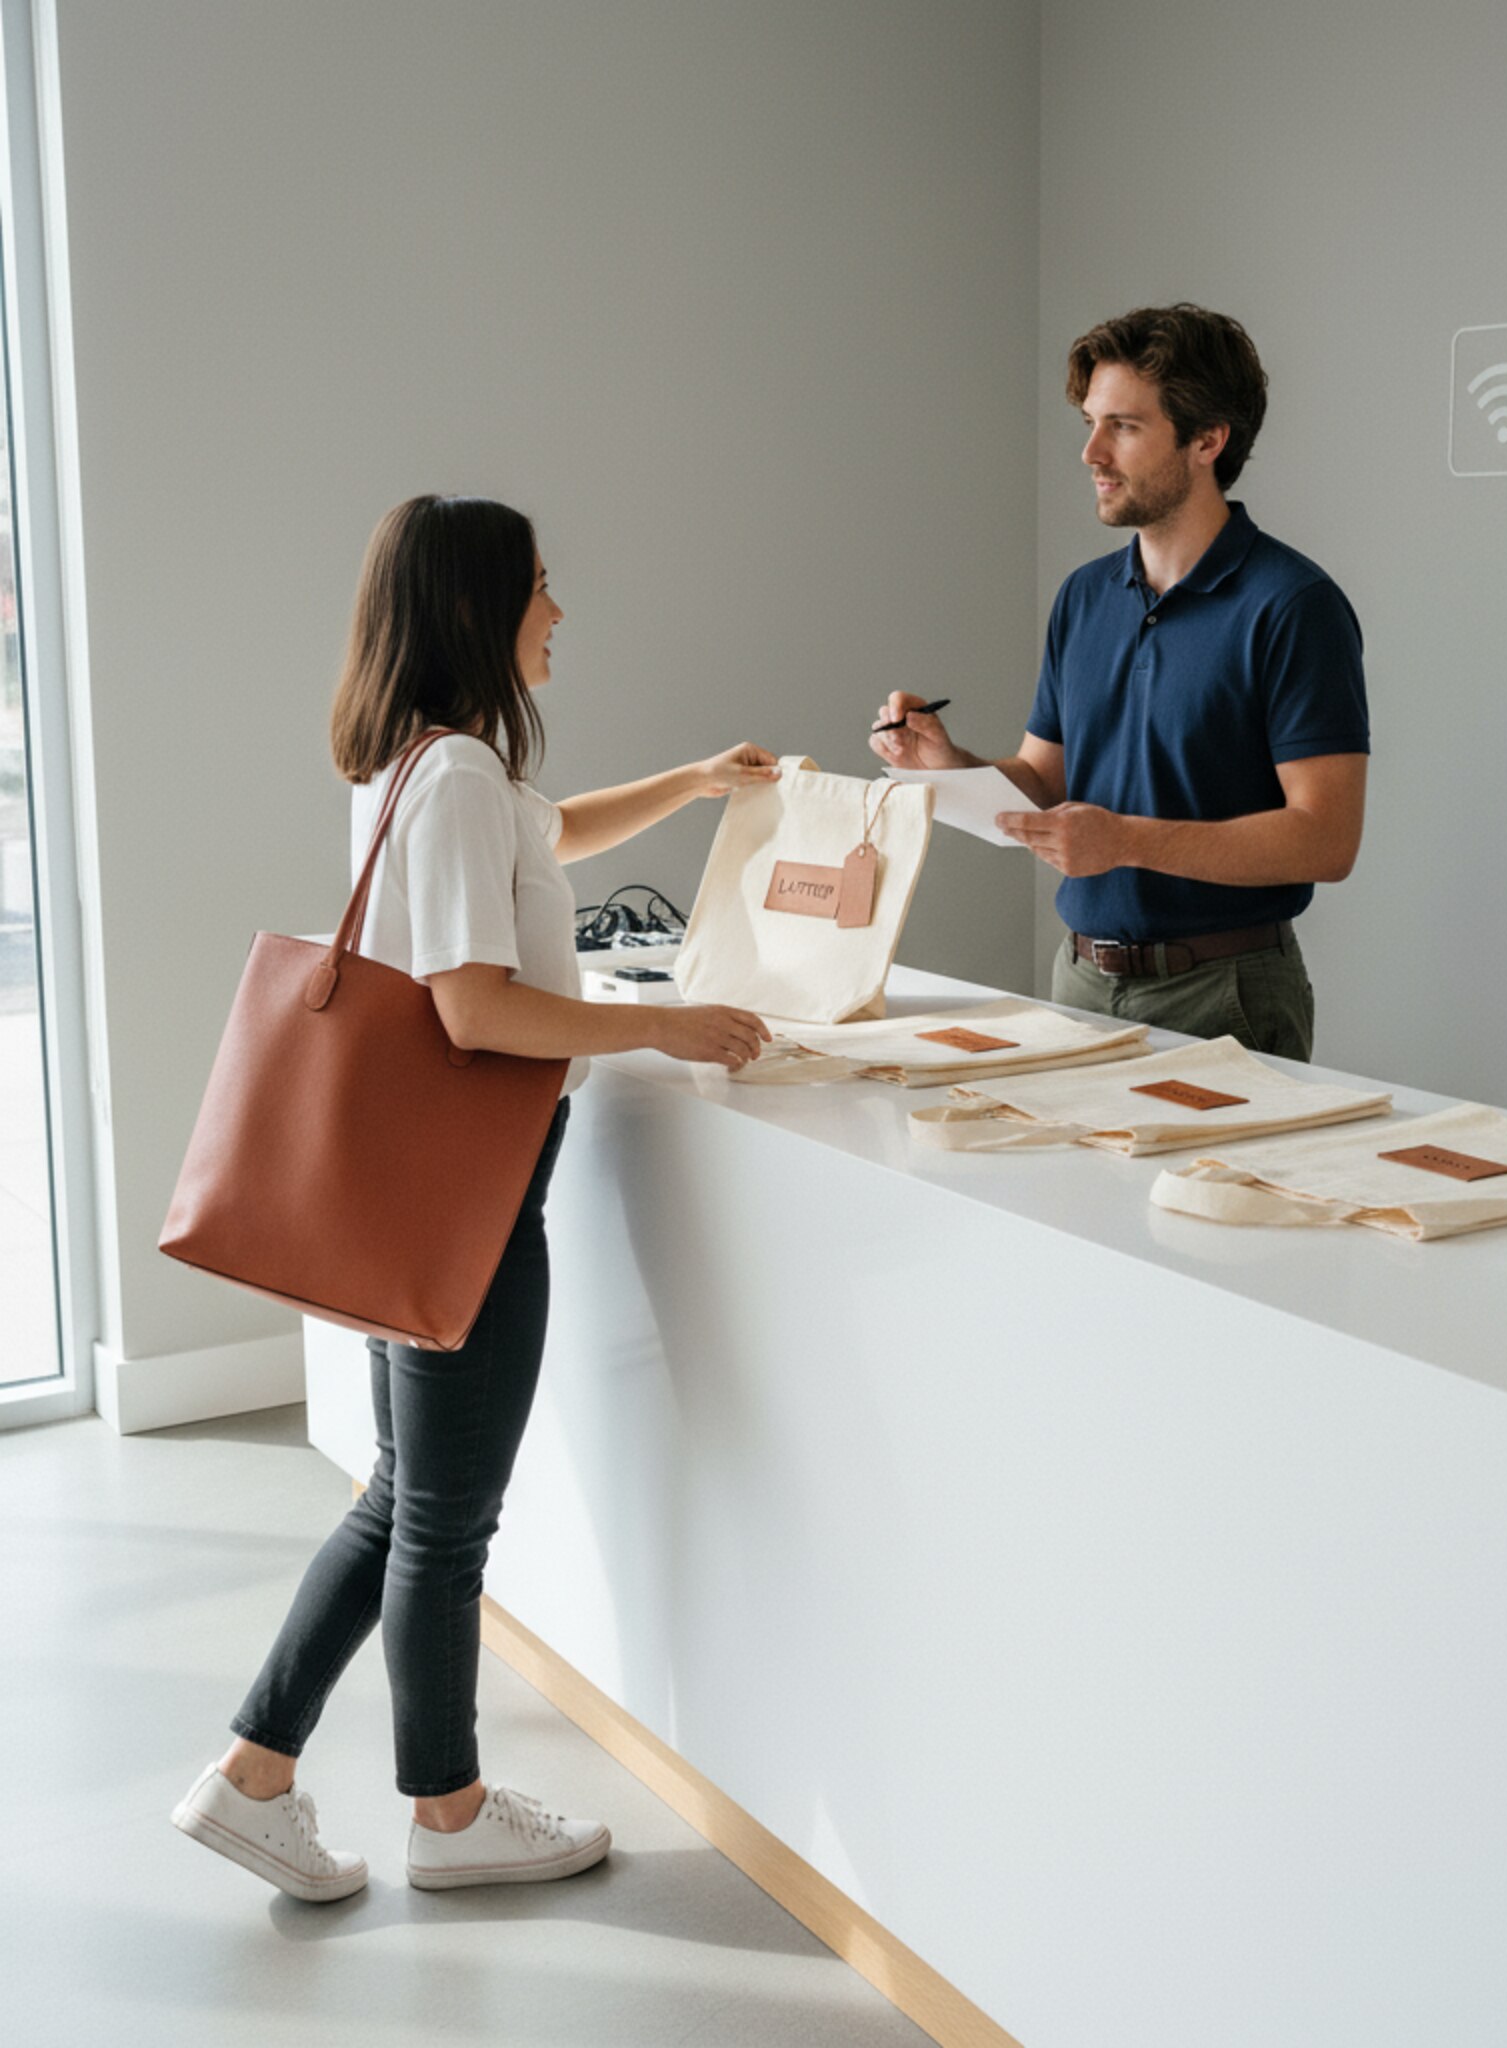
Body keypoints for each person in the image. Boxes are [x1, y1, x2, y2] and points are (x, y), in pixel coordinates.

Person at [172, 494, 773, 1902]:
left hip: (437, 1187)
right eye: (540, 590)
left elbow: (541, 839)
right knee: (444, 1522)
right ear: (476, 610)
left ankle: (254, 1777)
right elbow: (471, 1011)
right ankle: (445, 1818)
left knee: (404, 1502)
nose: (557, 613)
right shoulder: (448, 779)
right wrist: (661, 1028)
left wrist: (687, 784)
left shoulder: (433, 770)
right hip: (476, 1195)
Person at [870, 304, 1369, 1062]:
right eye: (1090, 422)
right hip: (1077, 985)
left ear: (1208, 440)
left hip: (1225, 993)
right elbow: (1045, 780)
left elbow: (1325, 840)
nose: (1091, 452)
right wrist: (948, 763)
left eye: (1123, 427)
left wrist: (1124, 841)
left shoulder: (1294, 606)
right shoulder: (1082, 596)